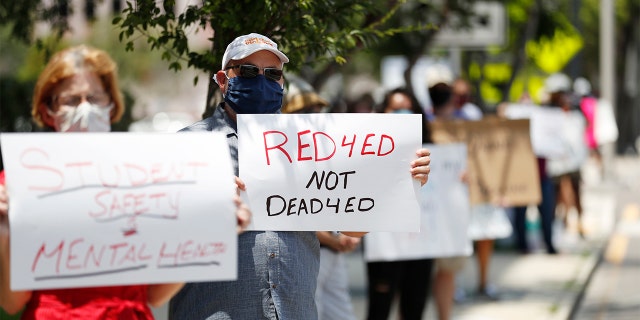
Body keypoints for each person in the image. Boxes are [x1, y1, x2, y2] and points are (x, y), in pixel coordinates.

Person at [168, 32, 432, 320]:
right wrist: (203, 201)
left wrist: (399, 180)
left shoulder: (313, 145)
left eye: (272, 74)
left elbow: (351, 224)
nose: (261, 80)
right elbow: (160, 235)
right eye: (247, 71)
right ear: (223, 79)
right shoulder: (189, 145)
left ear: (282, 82)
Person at [0, 45, 252, 318]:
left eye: (95, 98)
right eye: (72, 100)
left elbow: (156, 294)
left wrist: (211, 231)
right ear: (49, 110)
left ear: (111, 105)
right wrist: (3, 234)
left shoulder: (140, 175)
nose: (85, 109)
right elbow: (12, 303)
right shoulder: (19, 183)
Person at [282, 75, 360, 320]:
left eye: (316, 109)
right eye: (307, 110)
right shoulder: (284, 158)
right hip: (310, 252)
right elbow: (291, 212)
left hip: (333, 251)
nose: (315, 115)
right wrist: (333, 240)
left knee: (341, 313)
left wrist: (345, 235)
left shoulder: (326, 150)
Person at [365, 88, 434, 320]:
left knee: (415, 305)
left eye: (408, 108)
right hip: (384, 245)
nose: (402, 114)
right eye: (395, 109)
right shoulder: (368, 151)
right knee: (380, 306)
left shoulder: (430, 153)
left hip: (420, 244)